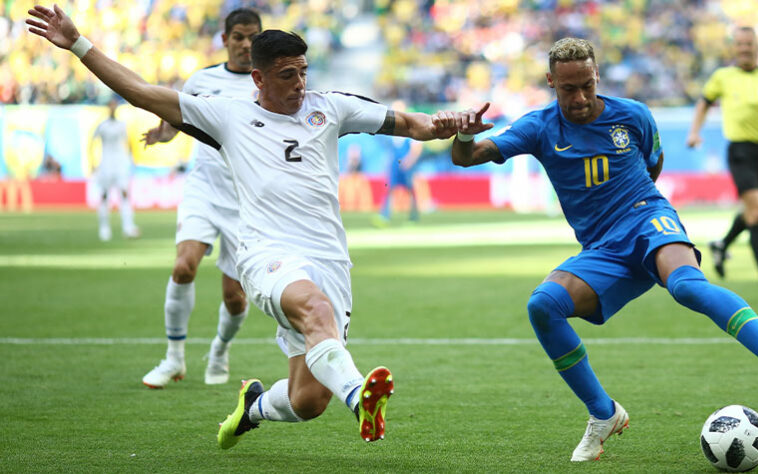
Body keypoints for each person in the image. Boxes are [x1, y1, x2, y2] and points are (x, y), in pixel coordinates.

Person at [26, 4, 464, 446]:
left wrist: (445, 125)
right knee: (315, 310)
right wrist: (79, 44)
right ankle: (358, 398)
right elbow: (142, 92)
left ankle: (252, 407)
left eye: (303, 73)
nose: (300, 84)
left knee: (308, 400)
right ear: (259, 78)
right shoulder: (228, 116)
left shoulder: (330, 109)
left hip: (330, 258)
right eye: (287, 75)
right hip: (266, 255)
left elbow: (410, 124)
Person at [450, 37, 758, 462]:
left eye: (587, 84)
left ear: (597, 75)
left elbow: (653, 165)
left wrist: (637, 206)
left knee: (686, 287)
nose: (581, 97)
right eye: (569, 89)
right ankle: (602, 414)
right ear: (551, 82)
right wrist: (462, 133)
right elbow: (467, 156)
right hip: (602, 248)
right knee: (543, 305)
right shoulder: (539, 127)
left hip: (646, 218)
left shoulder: (634, 115)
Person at [138, 8, 261, 389]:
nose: (246, 44)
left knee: (235, 299)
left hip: (247, 201)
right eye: (238, 36)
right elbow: (178, 117)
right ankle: (174, 359)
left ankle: (220, 349)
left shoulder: (267, 84)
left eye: (253, 37)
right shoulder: (202, 80)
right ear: (224, 40)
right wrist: (164, 135)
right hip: (205, 188)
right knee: (183, 267)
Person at [686, 26, 758, 301]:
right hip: (739, 150)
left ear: (756, 46)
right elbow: (704, 102)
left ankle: (722, 244)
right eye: (740, 44)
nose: (745, 48)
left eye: (749, 44)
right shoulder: (723, 76)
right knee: (756, 210)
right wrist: (694, 132)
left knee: (753, 210)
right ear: (734, 48)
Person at [90, 98, 139, 241]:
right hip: (106, 163)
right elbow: (92, 143)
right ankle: (104, 229)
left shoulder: (121, 125)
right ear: (108, 108)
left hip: (120, 163)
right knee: (104, 195)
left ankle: (128, 227)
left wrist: (131, 159)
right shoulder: (102, 126)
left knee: (124, 194)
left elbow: (129, 143)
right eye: (110, 106)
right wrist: (93, 162)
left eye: (114, 106)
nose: (112, 108)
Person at [372, 101, 424, 227]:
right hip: (395, 165)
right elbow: (391, 150)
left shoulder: (411, 127)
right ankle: (384, 216)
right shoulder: (393, 130)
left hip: (407, 165)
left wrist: (409, 161)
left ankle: (413, 217)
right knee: (390, 189)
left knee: (410, 190)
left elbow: (416, 148)